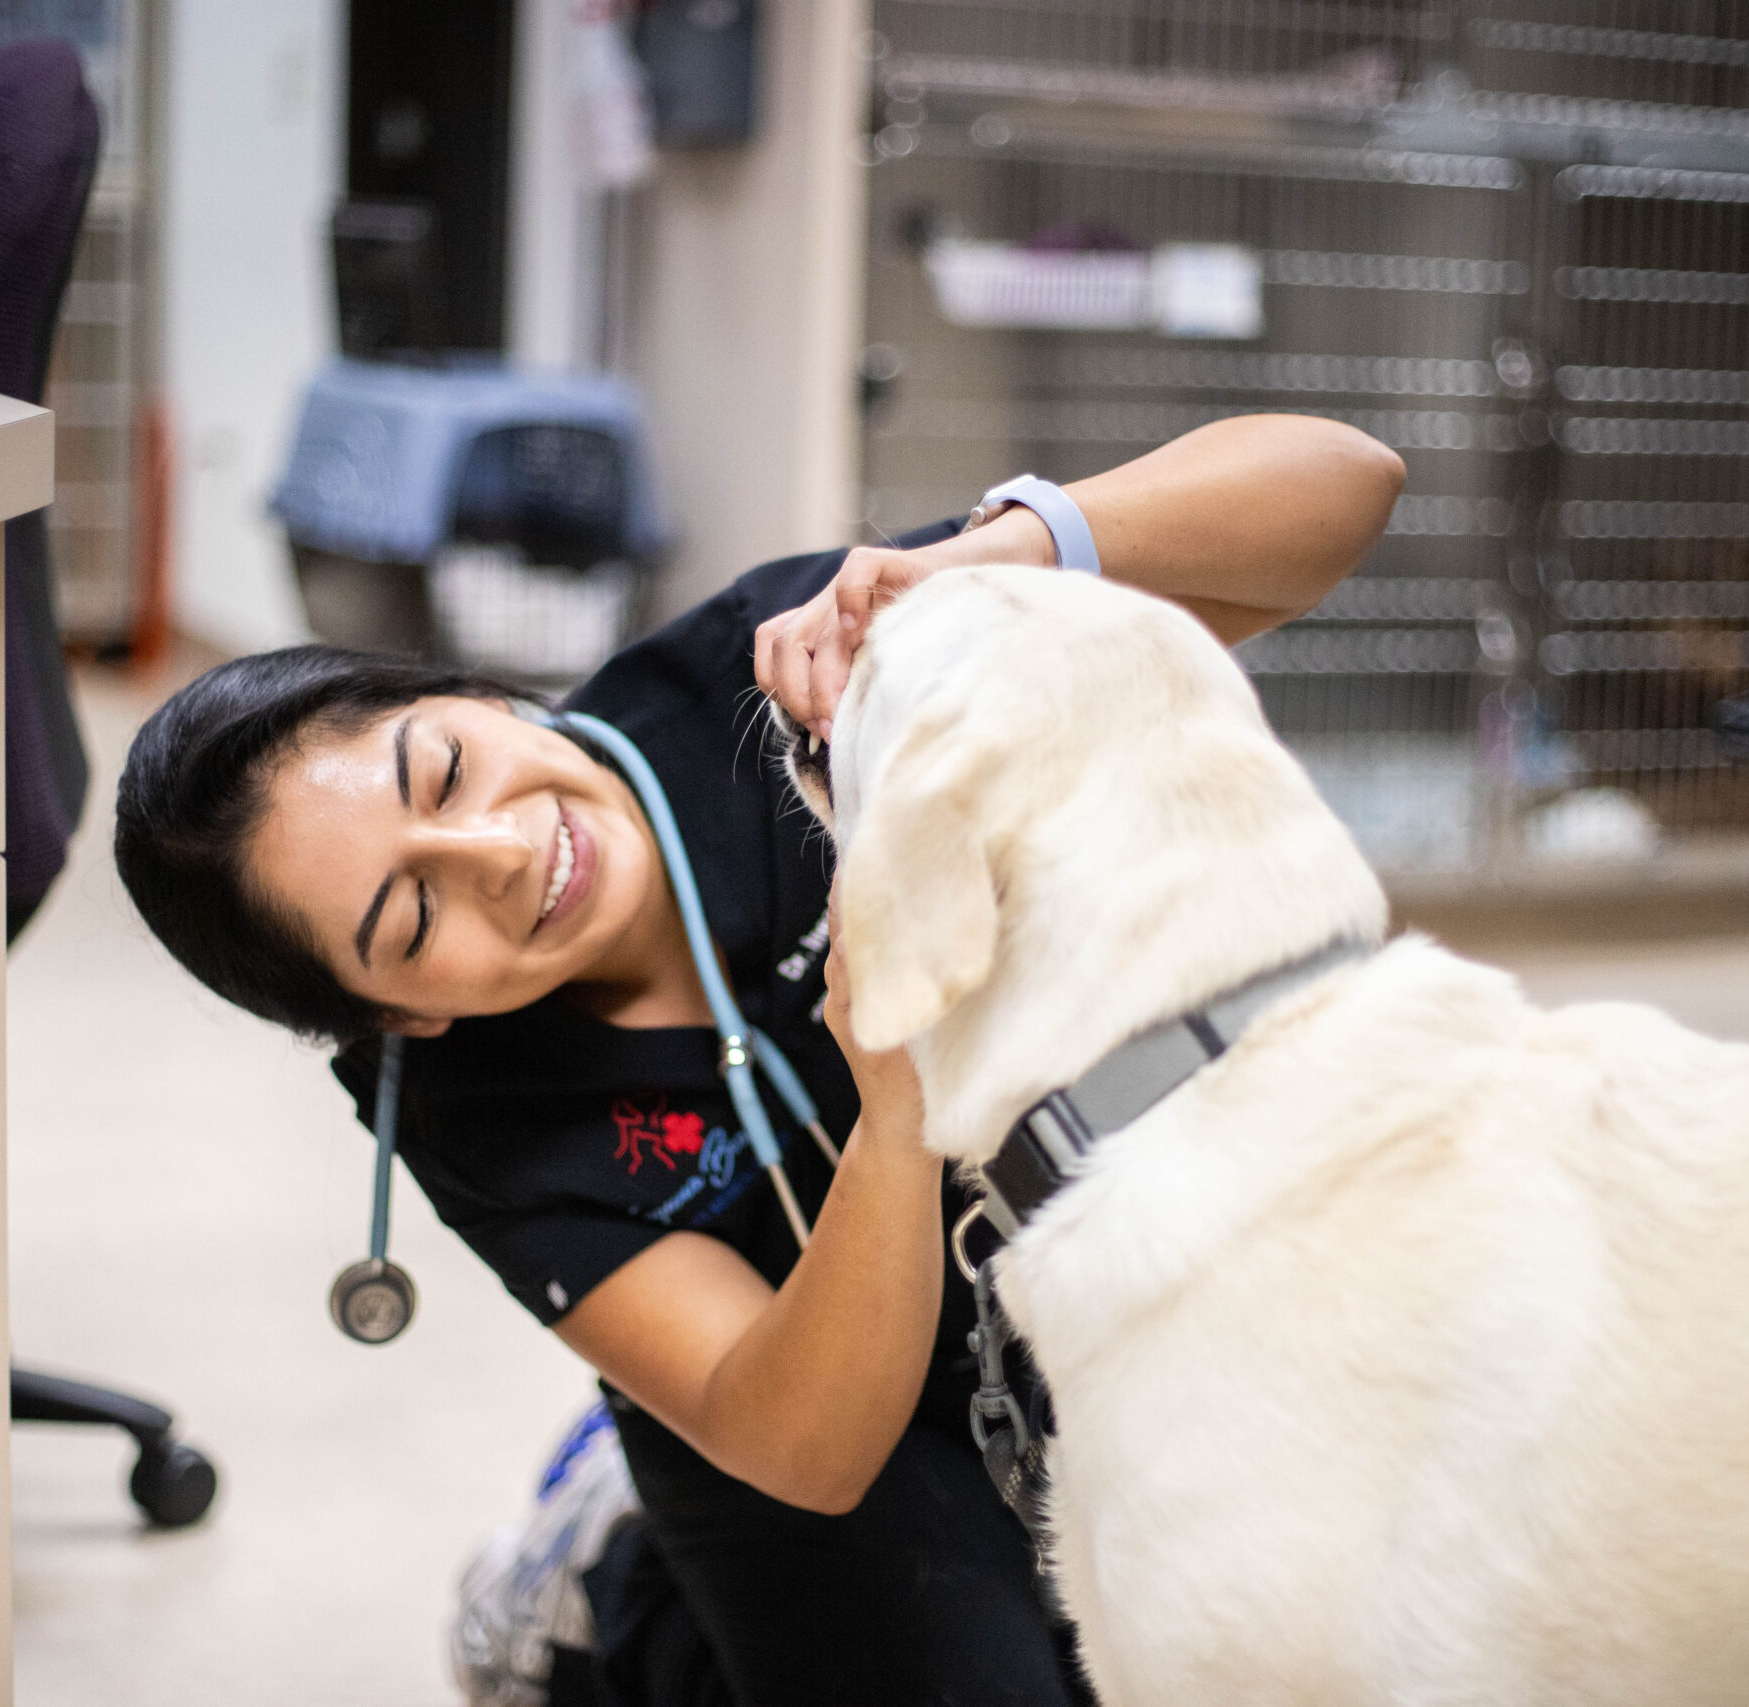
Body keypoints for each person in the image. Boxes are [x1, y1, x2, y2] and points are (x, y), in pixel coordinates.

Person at [114, 417, 1406, 1705]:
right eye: (411, 919)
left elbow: (1343, 491)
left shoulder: (781, 670)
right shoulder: (469, 1105)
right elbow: (805, 1445)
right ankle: (604, 1599)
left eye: (446, 770)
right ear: (398, 1021)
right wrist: (892, 1097)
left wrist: (996, 558)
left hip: (1091, 1256)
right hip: (804, 1383)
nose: (501, 857)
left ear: (468, 692)